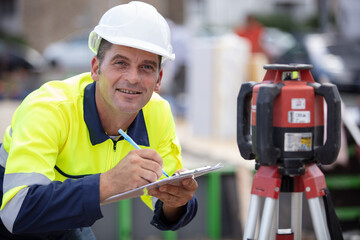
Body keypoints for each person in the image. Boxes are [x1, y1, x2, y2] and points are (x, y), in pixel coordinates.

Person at [0, 1, 198, 239]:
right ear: (96, 68)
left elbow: (167, 199)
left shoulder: (158, 112)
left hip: (65, 214)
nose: (133, 78)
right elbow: (17, 212)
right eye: (121, 63)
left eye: (146, 67)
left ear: (158, 80)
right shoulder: (50, 107)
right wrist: (110, 182)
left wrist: (175, 202)